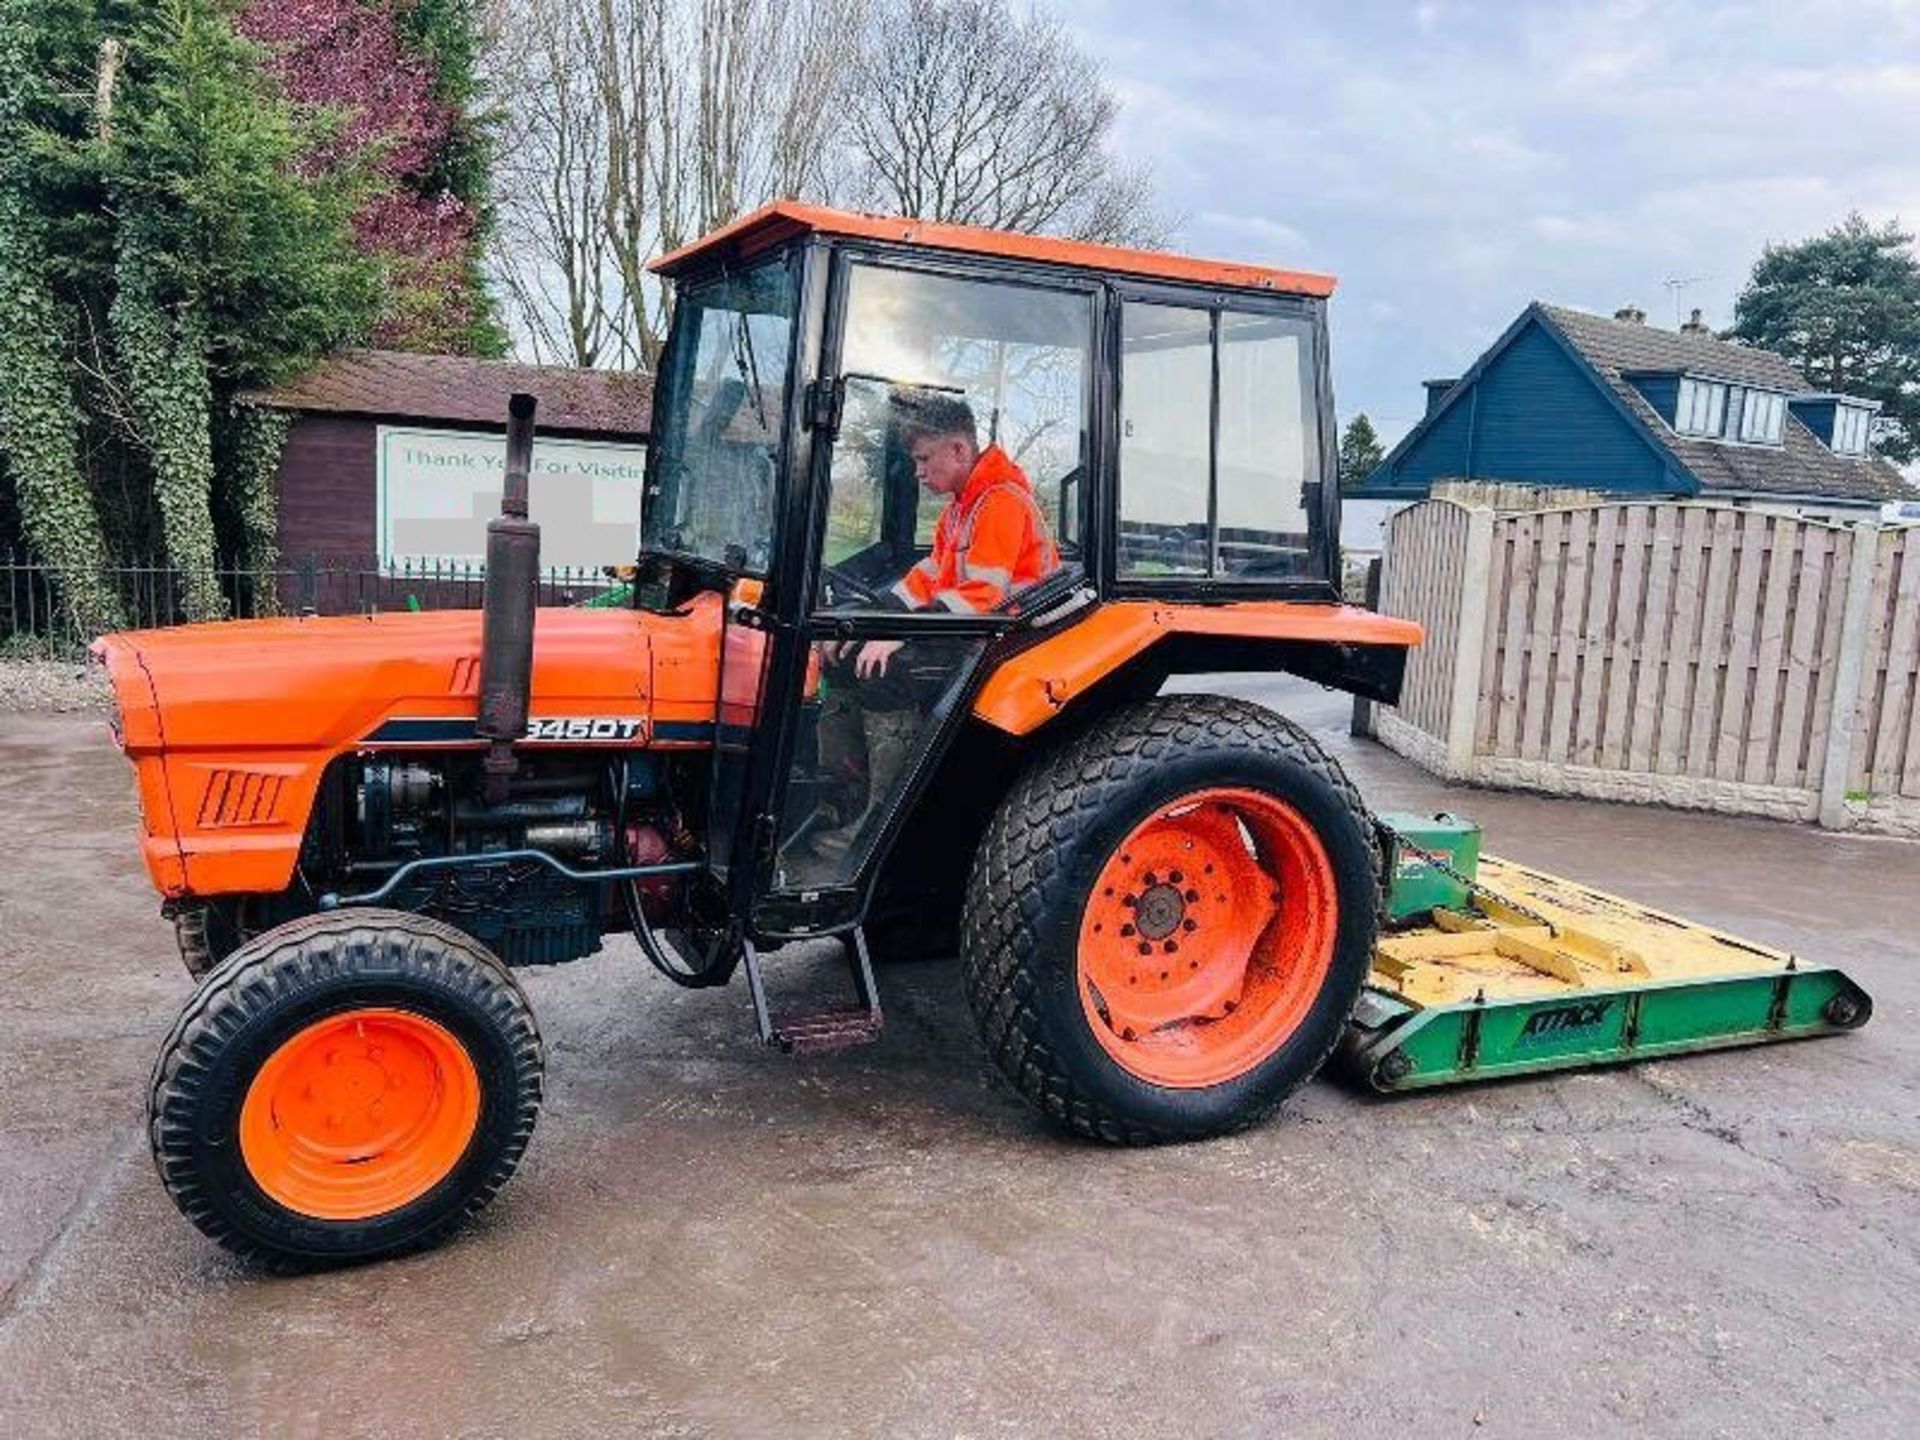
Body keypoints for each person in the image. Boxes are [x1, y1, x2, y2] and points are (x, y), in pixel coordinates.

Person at [806, 393, 1059, 867]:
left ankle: (883, 823)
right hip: (972, 626)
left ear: (959, 450)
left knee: (885, 670)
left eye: (924, 459)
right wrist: (865, 618)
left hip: (1010, 634)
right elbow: (926, 578)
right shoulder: (962, 508)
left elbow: (985, 596)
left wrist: (902, 634)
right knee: (841, 657)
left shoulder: (1001, 501)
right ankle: (840, 800)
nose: (919, 472)